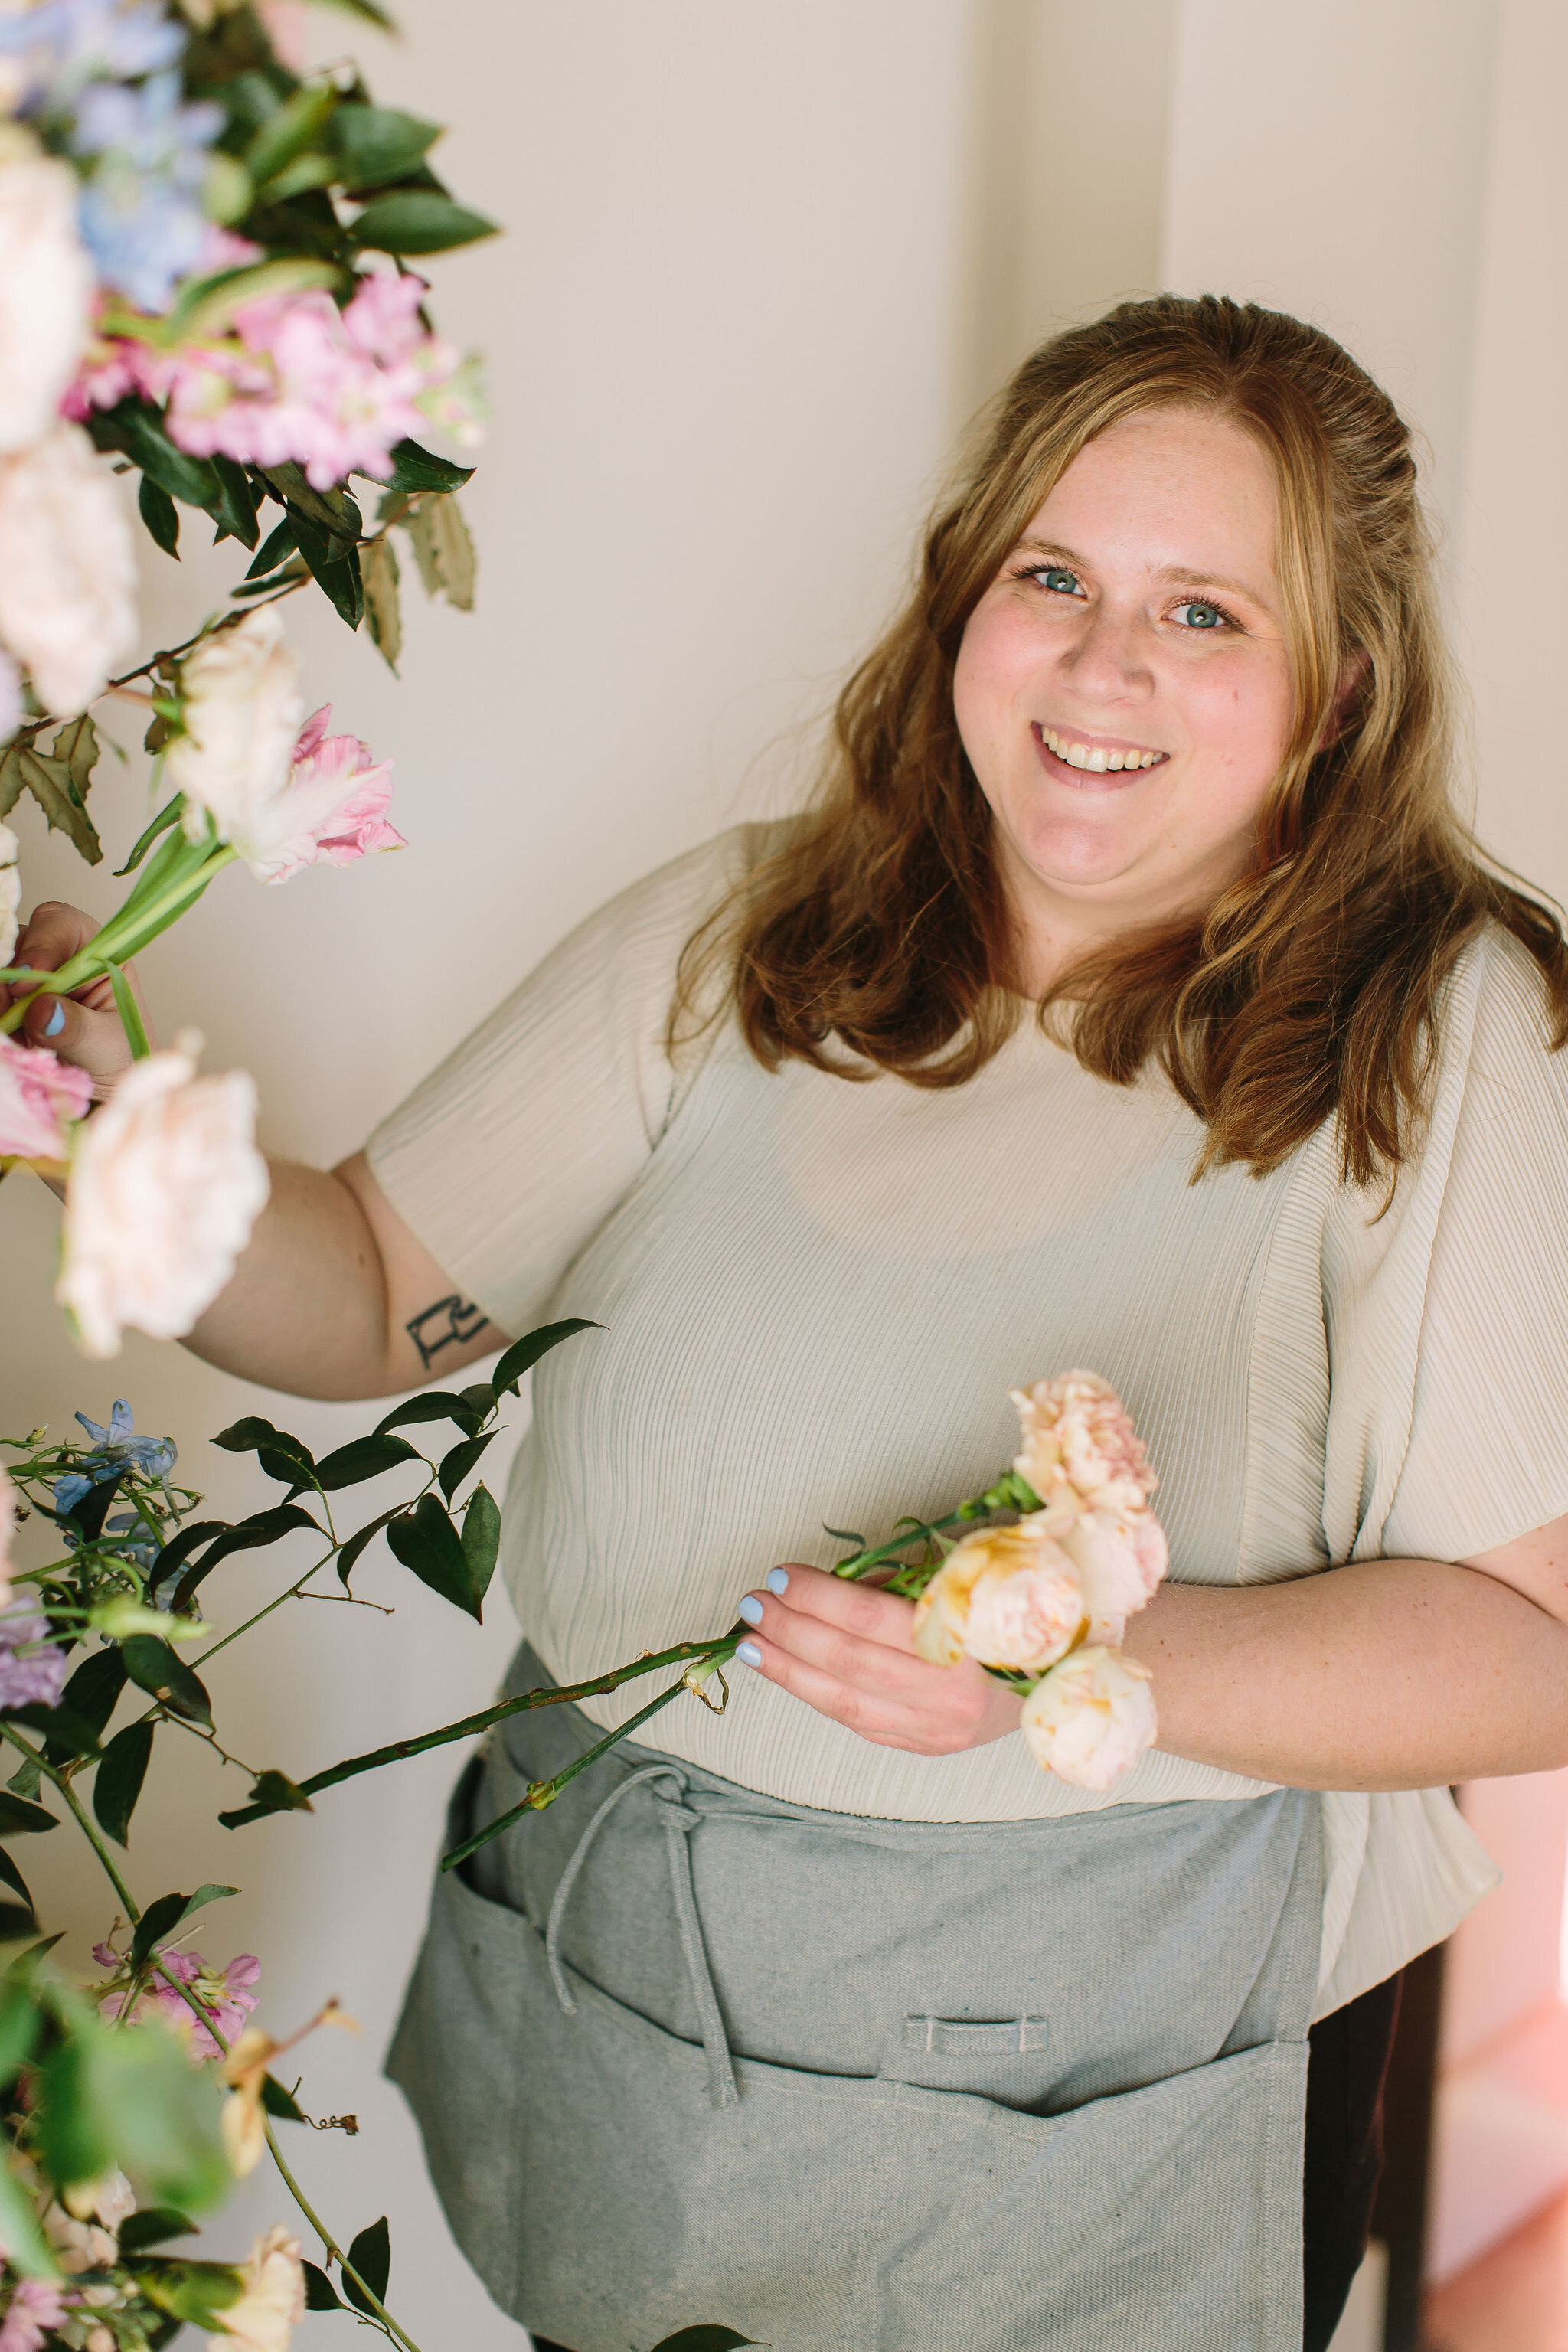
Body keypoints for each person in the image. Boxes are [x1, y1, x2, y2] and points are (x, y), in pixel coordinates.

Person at [15, 293, 1568, 2352]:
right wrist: (133, 1151)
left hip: (1082, 2112)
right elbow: (386, 1294)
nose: (1107, 665)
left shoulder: (1432, 1029)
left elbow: (1540, 1654)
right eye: (1056, 577)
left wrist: (1081, 1657)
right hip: (625, 2047)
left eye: (1209, 614)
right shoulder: (752, 930)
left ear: (1341, 687)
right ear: (961, 606)